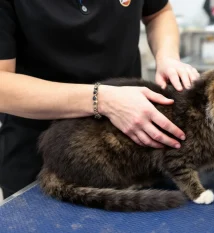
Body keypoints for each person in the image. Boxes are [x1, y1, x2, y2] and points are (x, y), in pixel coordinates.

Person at [0, 0, 200, 199]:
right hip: (42, 154)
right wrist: (102, 100)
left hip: (132, 146)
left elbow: (158, 13)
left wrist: (167, 56)